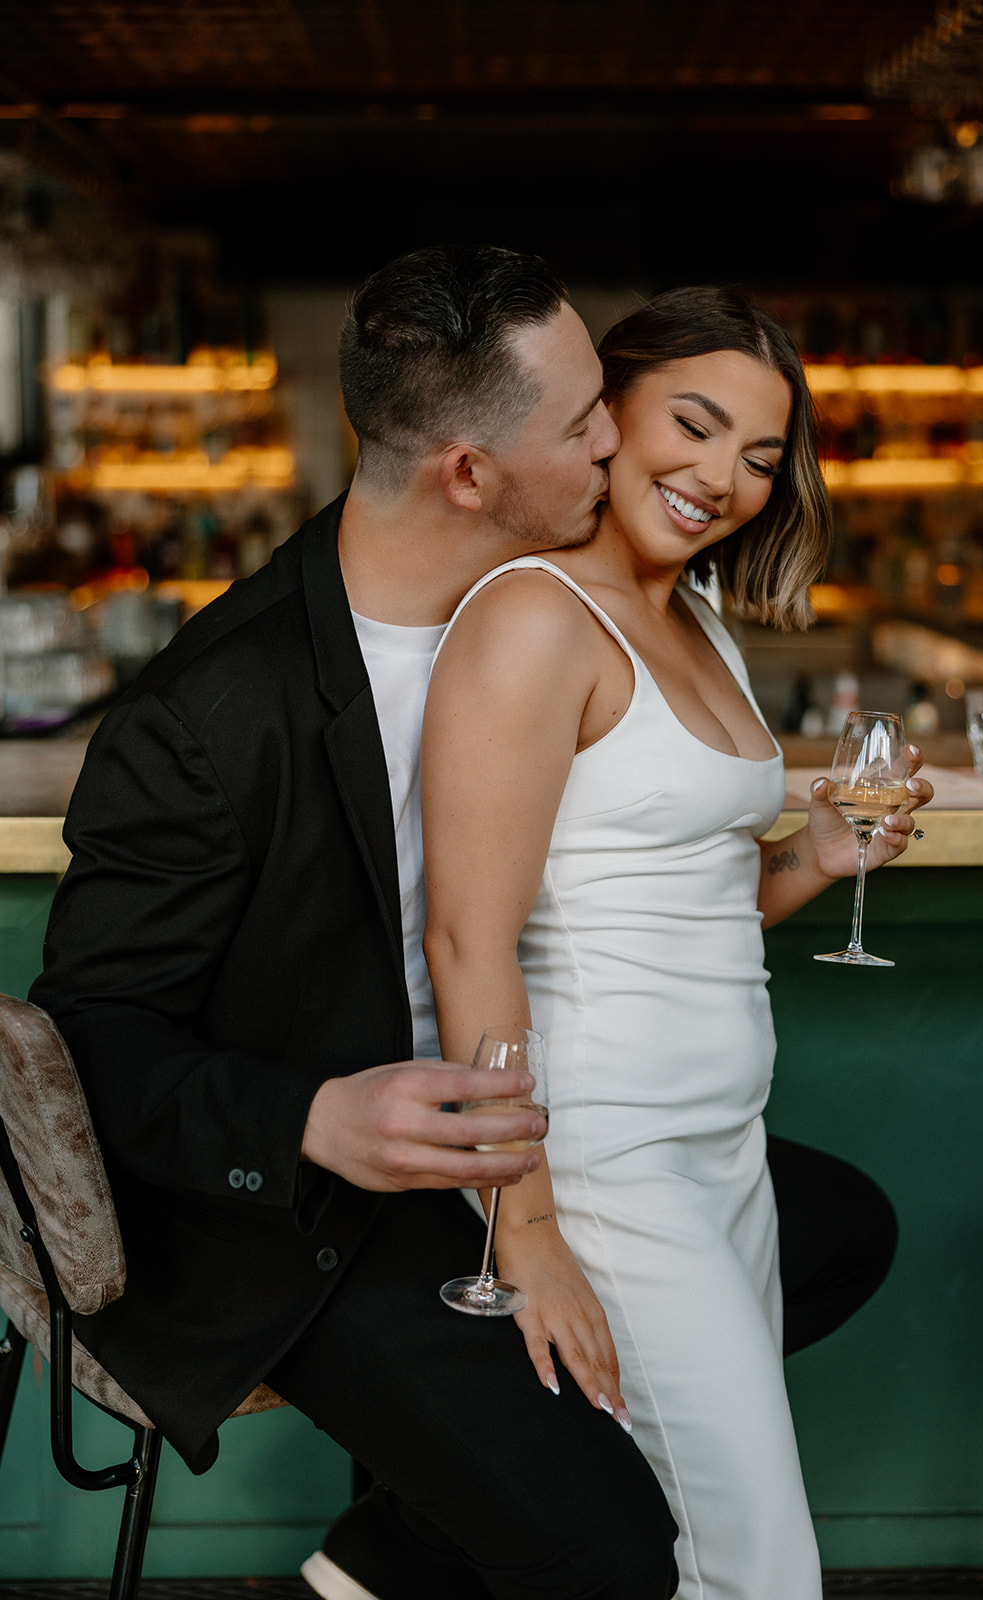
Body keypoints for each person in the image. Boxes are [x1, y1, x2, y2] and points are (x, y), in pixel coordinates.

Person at [28, 244, 681, 1600]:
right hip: (316, 1233)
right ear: (467, 472)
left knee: (837, 1230)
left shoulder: (554, 613)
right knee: (610, 1555)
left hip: (514, 1171)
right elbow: (93, 1038)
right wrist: (312, 1117)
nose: (616, 439)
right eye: (580, 422)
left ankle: (380, 1564)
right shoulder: (207, 713)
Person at [419, 285, 933, 1599]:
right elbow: (467, 940)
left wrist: (815, 860)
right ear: (606, 414)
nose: (724, 477)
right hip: (603, 1165)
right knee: (752, 1567)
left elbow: (686, 911)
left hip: (721, 1153)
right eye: (694, 426)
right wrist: (522, 1222)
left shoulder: (697, 619)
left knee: (676, 1559)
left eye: (761, 456)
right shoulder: (534, 617)